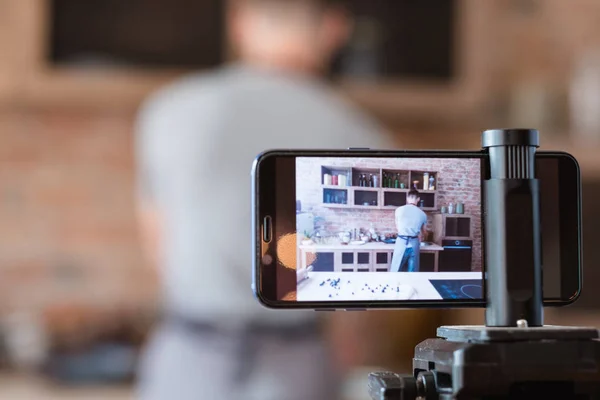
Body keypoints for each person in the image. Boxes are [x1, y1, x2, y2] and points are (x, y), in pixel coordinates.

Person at [133, 0, 396, 399]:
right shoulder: (360, 134)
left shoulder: (170, 109)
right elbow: (360, 291)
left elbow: (158, 242)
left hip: (188, 355)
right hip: (296, 363)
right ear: (335, 29)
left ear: (239, 24)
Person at [390, 190, 428, 272]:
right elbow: (424, 232)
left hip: (401, 242)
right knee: (413, 273)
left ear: (407, 198)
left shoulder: (398, 210)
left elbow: (398, 227)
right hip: (414, 244)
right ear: (418, 199)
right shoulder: (423, 214)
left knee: (396, 270)